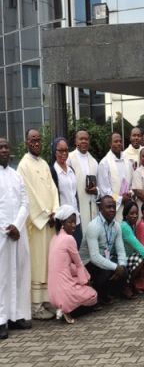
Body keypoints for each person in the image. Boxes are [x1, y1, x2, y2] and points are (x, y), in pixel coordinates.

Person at [17, 129, 59, 320]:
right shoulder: (23, 165)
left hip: (49, 221)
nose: (36, 142)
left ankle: (47, 299)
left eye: (39, 139)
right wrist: (44, 215)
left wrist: (55, 212)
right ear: (26, 142)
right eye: (33, 139)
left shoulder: (43, 164)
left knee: (48, 261)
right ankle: (35, 304)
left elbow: (53, 189)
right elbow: (29, 194)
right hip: (37, 224)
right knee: (38, 262)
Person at [0, 137, 31, 339]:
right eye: (0, 147)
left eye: (6, 146)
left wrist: (17, 225)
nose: (4, 149)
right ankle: (1, 319)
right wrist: (6, 227)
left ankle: (16, 315)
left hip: (17, 233)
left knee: (18, 272)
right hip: (1, 233)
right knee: (2, 277)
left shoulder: (15, 175)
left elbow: (25, 201)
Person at [48, 205, 97, 324]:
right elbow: (79, 264)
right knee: (93, 295)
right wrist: (87, 281)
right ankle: (67, 310)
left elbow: (67, 265)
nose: (74, 225)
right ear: (63, 223)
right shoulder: (69, 239)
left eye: (75, 222)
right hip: (64, 293)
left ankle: (62, 309)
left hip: (52, 295)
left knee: (75, 277)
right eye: (70, 222)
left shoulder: (55, 238)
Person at [79, 196, 128, 303]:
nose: (112, 210)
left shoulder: (116, 226)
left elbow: (121, 251)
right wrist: (116, 267)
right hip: (88, 263)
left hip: (104, 259)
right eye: (108, 207)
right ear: (101, 209)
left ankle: (109, 292)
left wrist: (122, 266)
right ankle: (99, 296)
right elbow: (94, 257)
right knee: (106, 272)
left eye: (113, 207)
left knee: (124, 268)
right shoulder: (94, 226)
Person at [50, 137, 83, 248]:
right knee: (66, 252)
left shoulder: (71, 170)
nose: (64, 153)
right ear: (55, 152)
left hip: (75, 219)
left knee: (76, 248)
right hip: (63, 222)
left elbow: (74, 194)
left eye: (66, 150)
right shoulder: (53, 171)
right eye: (60, 150)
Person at [120, 201, 144, 297]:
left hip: (128, 256)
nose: (135, 216)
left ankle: (133, 284)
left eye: (136, 213)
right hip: (119, 259)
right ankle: (127, 285)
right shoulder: (124, 227)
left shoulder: (131, 225)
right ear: (125, 215)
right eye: (131, 213)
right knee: (141, 259)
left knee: (143, 259)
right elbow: (138, 246)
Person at [97, 132, 133, 221]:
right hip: (114, 208)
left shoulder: (127, 161)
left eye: (120, 141)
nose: (119, 144)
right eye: (115, 141)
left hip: (128, 206)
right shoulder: (104, 163)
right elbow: (105, 191)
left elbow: (132, 182)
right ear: (110, 143)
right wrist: (120, 198)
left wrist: (130, 193)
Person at [68, 129, 99, 232]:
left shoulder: (94, 162)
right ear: (76, 141)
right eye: (81, 139)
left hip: (92, 207)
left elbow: (100, 186)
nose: (84, 141)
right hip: (77, 207)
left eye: (86, 139)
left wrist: (96, 190)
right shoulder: (69, 159)